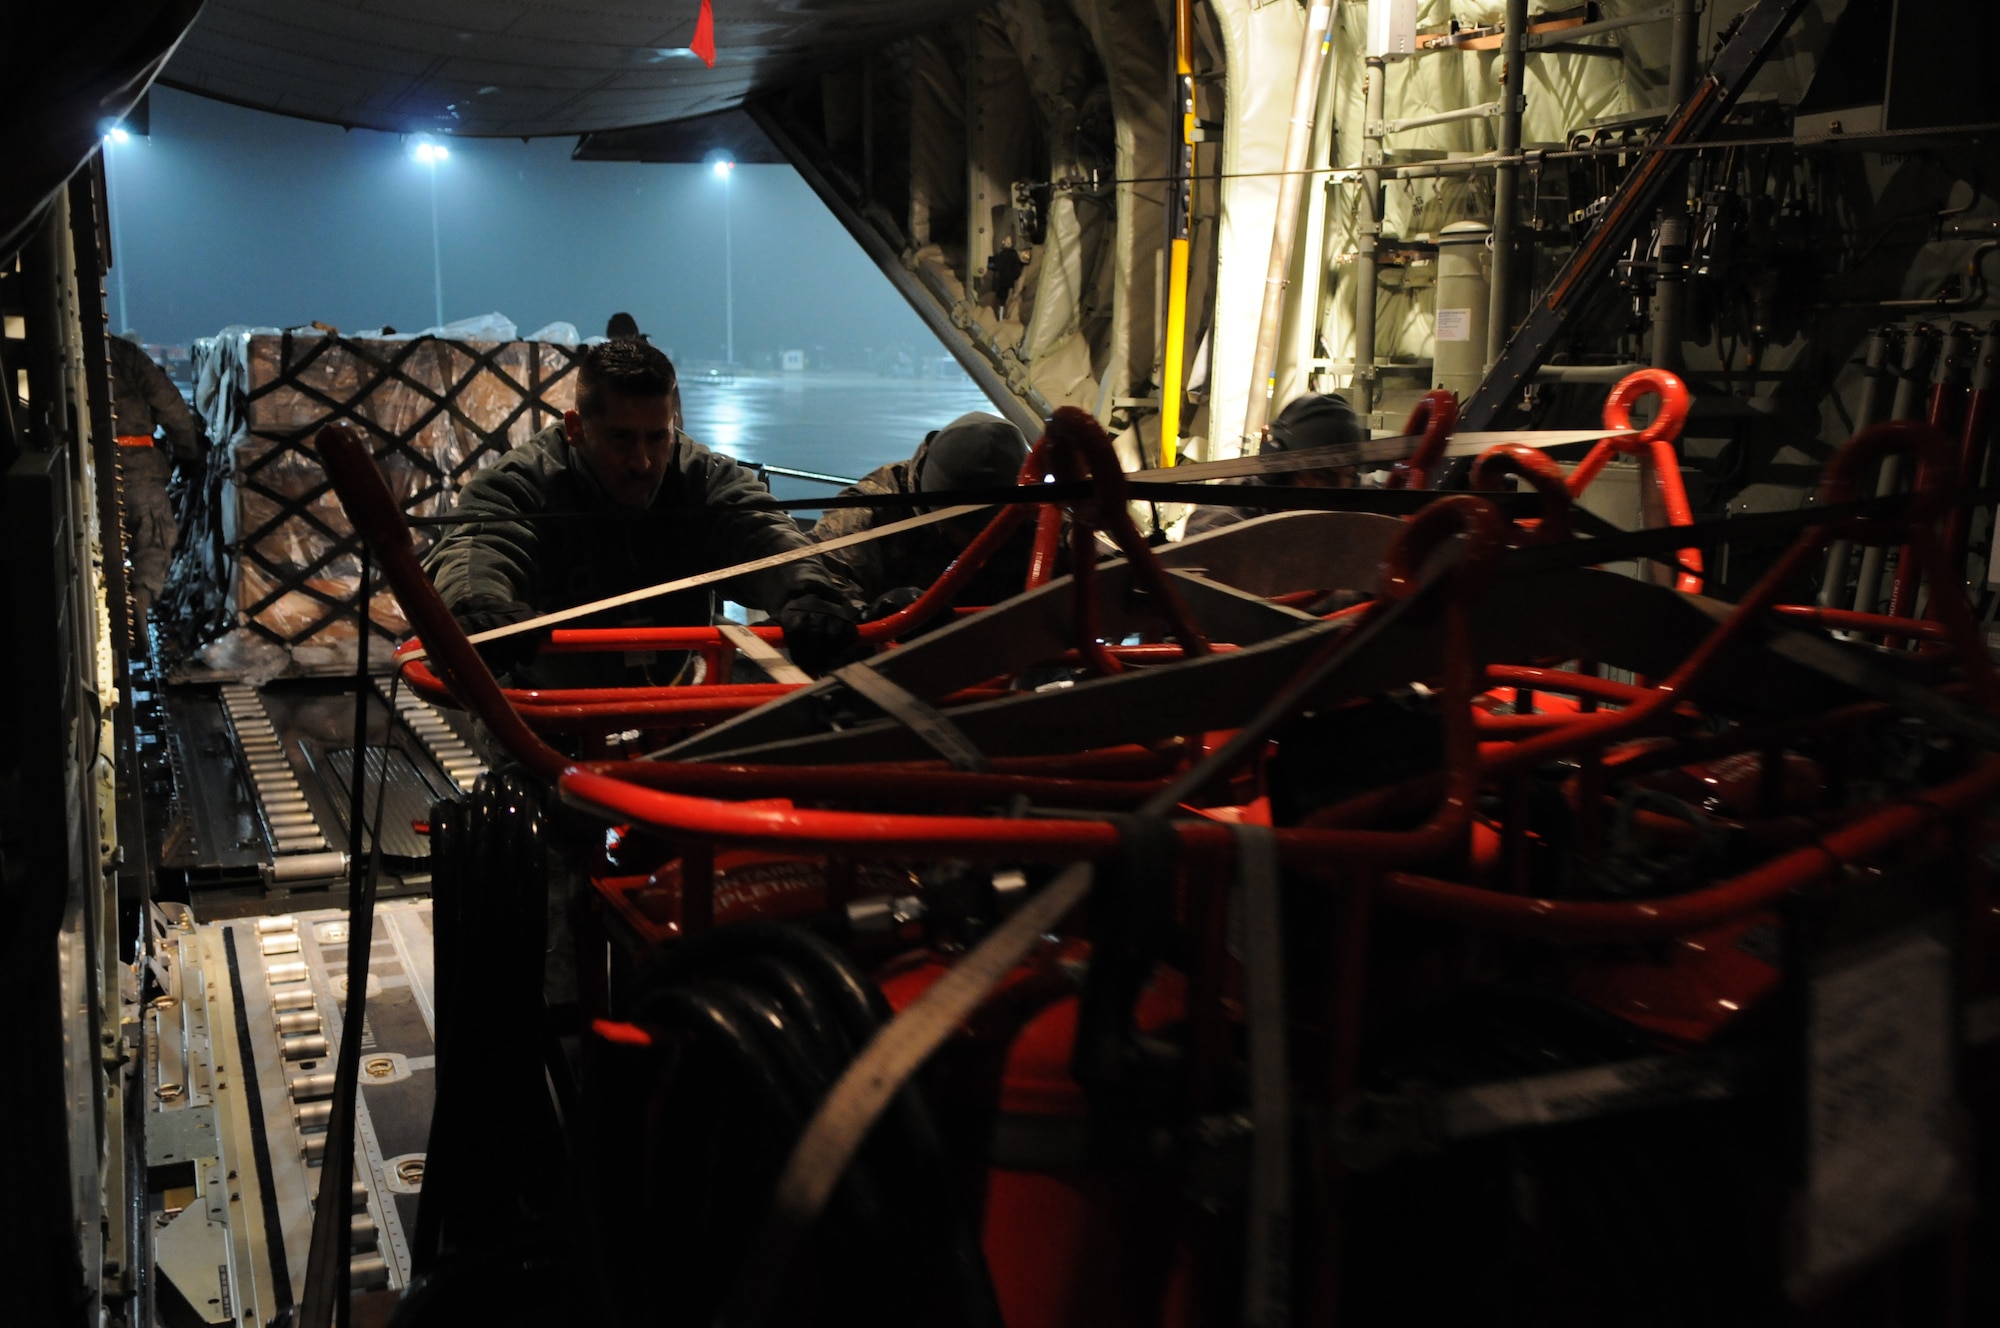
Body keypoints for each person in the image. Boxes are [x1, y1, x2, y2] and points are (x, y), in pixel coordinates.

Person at [424, 338, 857, 684]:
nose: (643, 462)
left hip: (671, 702)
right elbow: (480, 539)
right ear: (575, 428)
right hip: (547, 716)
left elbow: (755, 523)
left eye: (657, 437)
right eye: (621, 439)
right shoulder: (526, 480)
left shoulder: (697, 474)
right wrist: (477, 604)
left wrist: (808, 590)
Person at [811, 411, 1033, 617]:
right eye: (958, 526)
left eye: (989, 527)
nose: (968, 540)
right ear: (933, 507)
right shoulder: (871, 510)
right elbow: (823, 586)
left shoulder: (1035, 508)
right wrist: (873, 612)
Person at [108, 332, 204, 628]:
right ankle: (140, 599)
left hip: (76, 469)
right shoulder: (122, 353)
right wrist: (189, 453)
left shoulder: (49, 348)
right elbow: (170, 405)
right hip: (134, 463)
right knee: (153, 535)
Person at [1182, 392, 1366, 538]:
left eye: (1349, 476)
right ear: (1280, 474)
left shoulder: (1348, 502)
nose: (1339, 491)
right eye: (1323, 477)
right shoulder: (1226, 512)